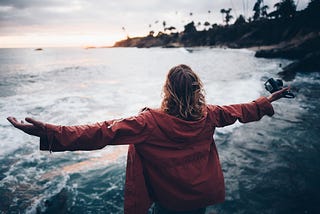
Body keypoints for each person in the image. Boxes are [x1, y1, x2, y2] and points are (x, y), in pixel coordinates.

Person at [7, 64, 290, 214]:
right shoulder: (210, 115)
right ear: (197, 91)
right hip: (201, 195)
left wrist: (49, 132)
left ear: (167, 90)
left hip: (170, 201)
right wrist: (267, 100)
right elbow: (241, 110)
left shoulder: (148, 123)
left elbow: (100, 132)